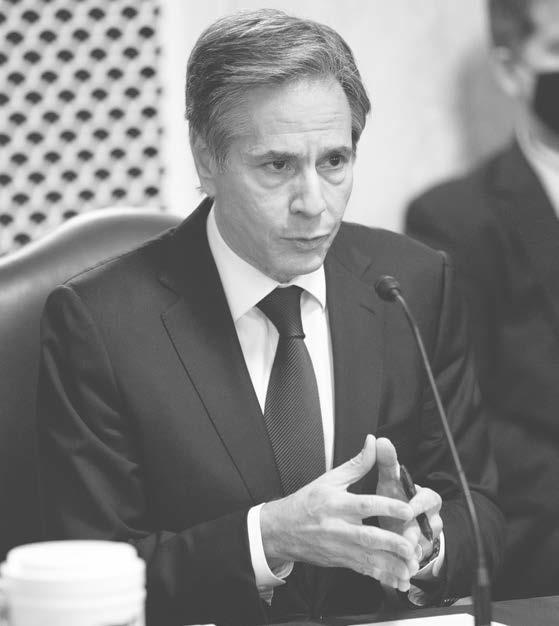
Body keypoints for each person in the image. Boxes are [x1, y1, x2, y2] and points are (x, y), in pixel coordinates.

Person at [37, 10, 503, 626]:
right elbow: (90, 579)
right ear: (207, 160)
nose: (314, 204)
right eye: (277, 166)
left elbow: (480, 508)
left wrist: (425, 542)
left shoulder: (413, 284)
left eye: (334, 161)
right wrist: (268, 538)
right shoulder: (100, 324)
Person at [406, 0, 559, 601]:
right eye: (557, 49)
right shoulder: (455, 220)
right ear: (511, 68)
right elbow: (463, 416)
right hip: (544, 532)